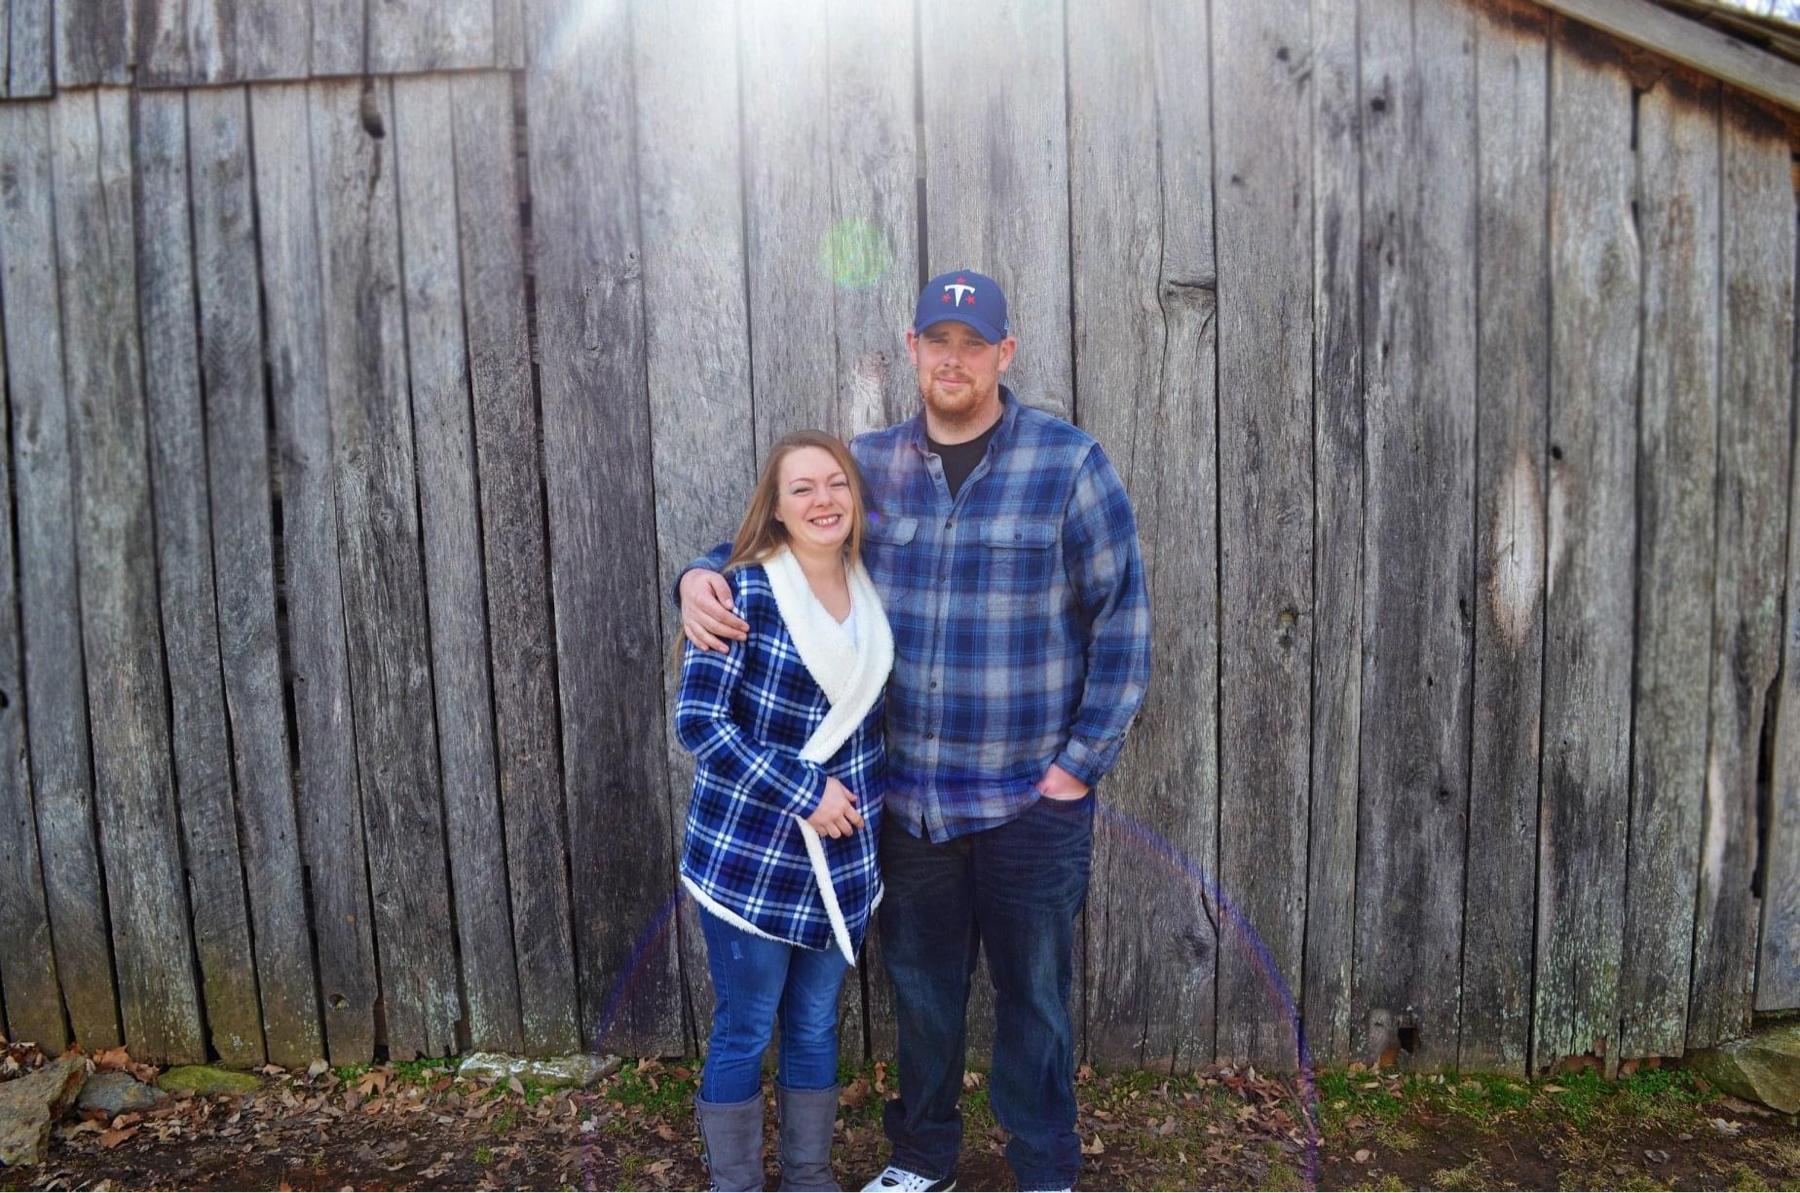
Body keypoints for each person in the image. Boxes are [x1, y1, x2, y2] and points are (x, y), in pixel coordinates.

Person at [679, 271, 1151, 1192]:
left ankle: (1044, 1165)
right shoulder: (870, 466)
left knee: (1036, 1001)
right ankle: (922, 1156)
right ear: (913, 349)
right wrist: (697, 576)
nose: (954, 359)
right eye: (939, 341)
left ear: (1004, 353)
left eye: (974, 343)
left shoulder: (1068, 464)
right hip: (909, 805)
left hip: (1029, 802)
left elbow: (1123, 622)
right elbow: (781, 529)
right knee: (924, 997)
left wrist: (1077, 768)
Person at [674, 430, 894, 1193]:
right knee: (745, 1025)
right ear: (775, 506)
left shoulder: (872, 587)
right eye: (802, 487)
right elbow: (700, 722)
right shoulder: (742, 590)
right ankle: (736, 1184)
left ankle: (808, 1176)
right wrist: (805, 789)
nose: (823, 499)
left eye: (836, 483)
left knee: (814, 1021)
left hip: (841, 859)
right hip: (752, 858)